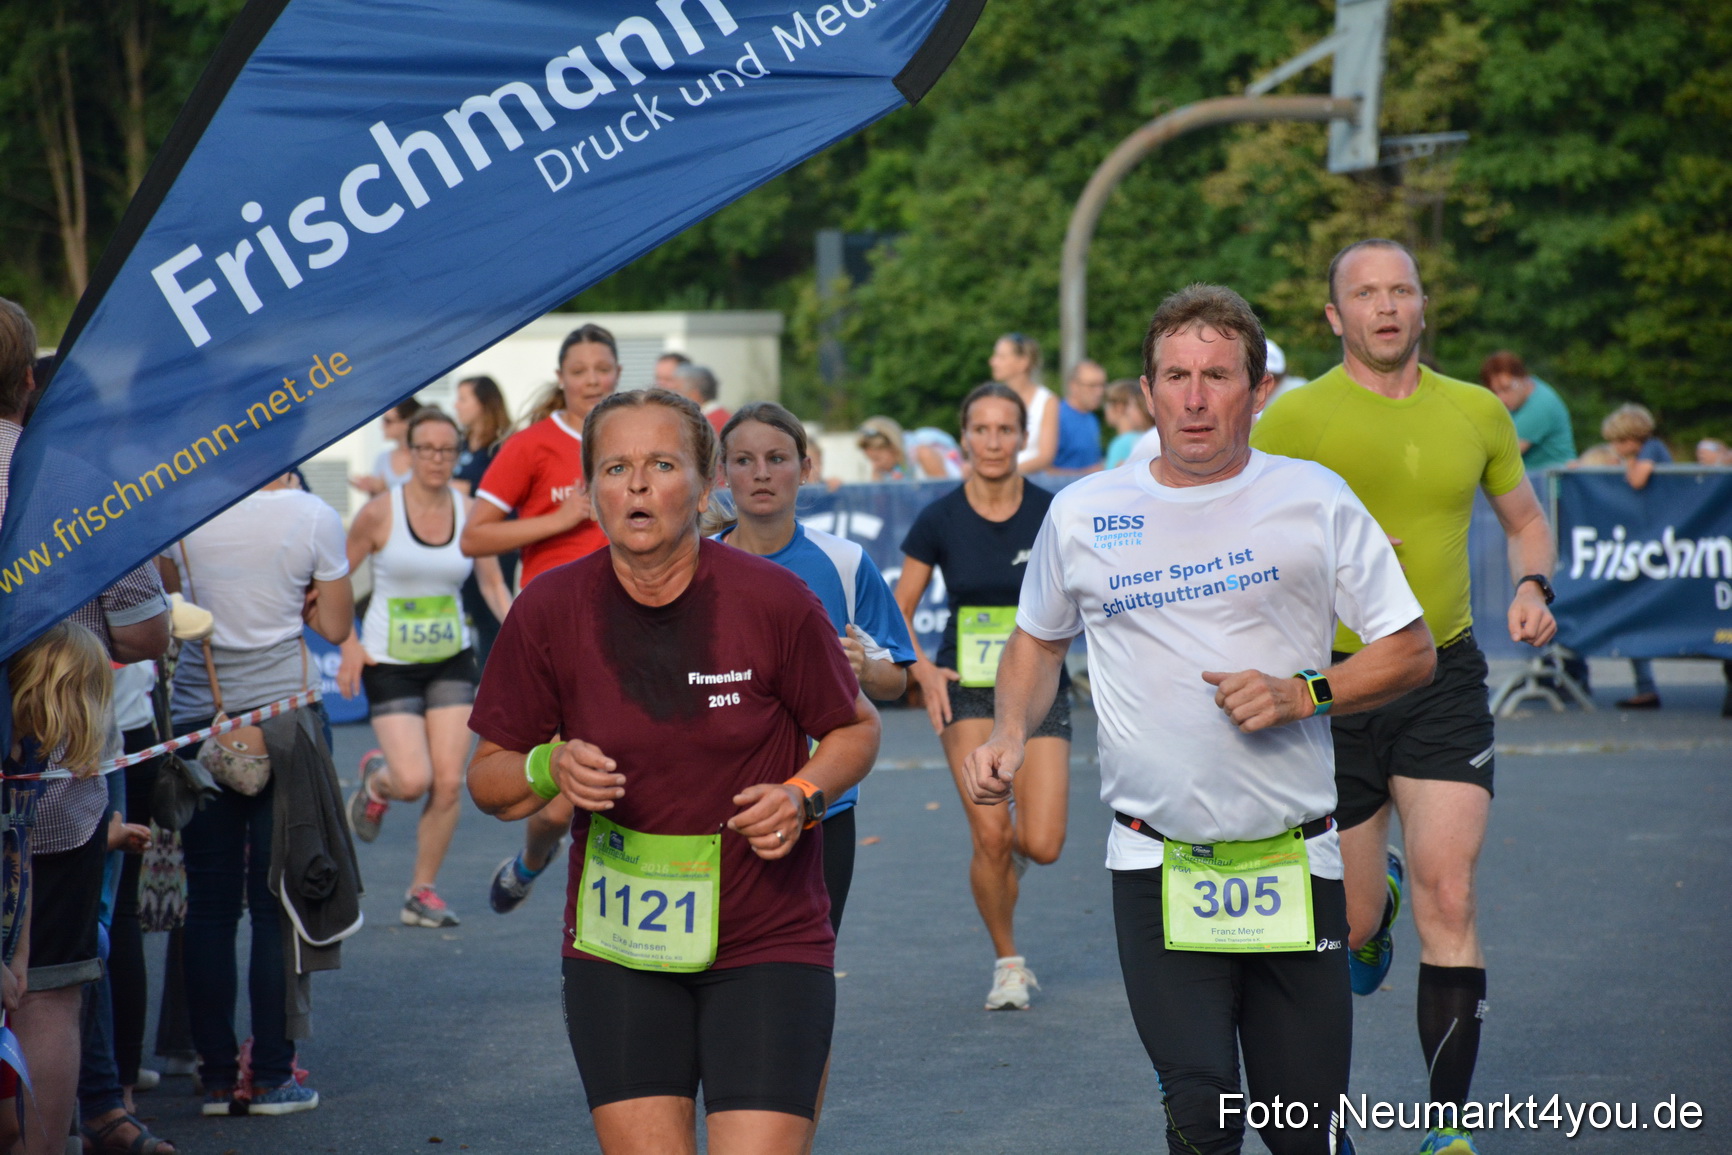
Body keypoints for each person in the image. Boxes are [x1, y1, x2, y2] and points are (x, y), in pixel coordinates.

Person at [965, 283, 1435, 1155]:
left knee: (1304, 1135)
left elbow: (1411, 648)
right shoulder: (1084, 511)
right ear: (1146, 390)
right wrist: (1006, 732)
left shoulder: (1313, 497)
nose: (1193, 397)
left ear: (1257, 392)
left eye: (1217, 375)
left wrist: (1306, 692)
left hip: (1295, 856)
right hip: (1155, 860)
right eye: (1175, 375)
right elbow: (1036, 643)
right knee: (1202, 1114)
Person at [466, 388, 880, 1155]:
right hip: (619, 944)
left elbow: (855, 727)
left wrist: (802, 793)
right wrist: (549, 763)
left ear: (705, 478)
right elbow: (488, 779)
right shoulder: (550, 609)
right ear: (590, 490)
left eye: (662, 464)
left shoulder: (775, 600)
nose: (638, 485)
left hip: (767, 935)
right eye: (615, 467)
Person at [1251, 239, 1558, 1155]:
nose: (1386, 306)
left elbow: (1526, 518)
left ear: (1422, 306)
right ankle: (1368, 904)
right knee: (1348, 922)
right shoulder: (1294, 419)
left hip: (1442, 675)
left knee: (1452, 891)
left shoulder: (1474, 411)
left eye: (1401, 290)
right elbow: (1238, 525)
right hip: (1331, 687)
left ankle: (1447, 1127)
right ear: (1333, 317)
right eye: (1364, 293)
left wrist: (1534, 587)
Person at [0, 298, 174, 1155]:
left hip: (47, 771)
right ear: (30, 381)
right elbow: (146, 628)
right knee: (51, 990)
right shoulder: (77, 479)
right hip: (53, 777)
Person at [164, 470, 355, 1118]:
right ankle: (273, 1074)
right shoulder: (311, 514)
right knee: (278, 902)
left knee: (211, 906)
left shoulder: (185, 508)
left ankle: (217, 1077)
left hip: (202, 717)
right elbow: (333, 620)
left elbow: (165, 599)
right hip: (286, 717)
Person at [893, 383, 1070, 1010]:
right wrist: (921, 670)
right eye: (981, 429)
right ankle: (1008, 963)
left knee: (1042, 844)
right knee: (991, 835)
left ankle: (1005, 868)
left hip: (1040, 686)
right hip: (965, 687)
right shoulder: (938, 518)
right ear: (963, 438)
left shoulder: (1054, 512)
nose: (993, 441)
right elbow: (898, 609)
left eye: (1005, 430)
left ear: (1023, 438)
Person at [714, 402, 916, 929]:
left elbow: (898, 677)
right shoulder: (692, 565)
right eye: (744, 460)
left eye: (777, 458)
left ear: (806, 469)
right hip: (718, 800)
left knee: (807, 959)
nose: (761, 473)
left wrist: (866, 671)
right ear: (722, 472)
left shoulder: (845, 561)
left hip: (820, 801)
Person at [461, 324, 619, 913]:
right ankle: (531, 862)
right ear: (561, 379)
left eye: (602, 369)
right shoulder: (532, 445)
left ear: (618, 374)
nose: (592, 380)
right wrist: (561, 521)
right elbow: (475, 537)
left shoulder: (630, 438)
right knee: (556, 802)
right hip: (558, 635)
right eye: (579, 371)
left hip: (637, 628)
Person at [340, 409, 512, 927]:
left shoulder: (470, 512)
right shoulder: (379, 513)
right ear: (409, 454)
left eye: (447, 449)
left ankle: (421, 892)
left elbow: (491, 585)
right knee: (413, 780)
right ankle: (378, 781)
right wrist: (346, 640)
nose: (437, 459)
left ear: (457, 453)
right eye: (427, 449)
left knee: (448, 782)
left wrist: (527, 633)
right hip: (389, 661)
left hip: (450, 659)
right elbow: (332, 578)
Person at [1600, 403, 1672, 709]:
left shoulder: (1652, 449)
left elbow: (1638, 480)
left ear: (1632, 437)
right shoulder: (1647, 450)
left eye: (1619, 442)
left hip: (1665, 542)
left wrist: (1626, 462)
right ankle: (1645, 686)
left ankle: (1646, 686)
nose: (1615, 449)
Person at [451, 375, 517, 665]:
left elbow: (471, 490)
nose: (456, 405)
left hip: (498, 545)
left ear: (483, 404)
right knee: (471, 617)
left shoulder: (502, 446)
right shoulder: (462, 444)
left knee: (494, 619)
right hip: (465, 543)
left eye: (463, 399)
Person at [1479, 351, 1577, 473]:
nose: (1501, 398)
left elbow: (1500, 456)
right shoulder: (1521, 397)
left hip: (1555, 485)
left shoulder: (1541, 405)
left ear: (1522, 378)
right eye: (1495, 391)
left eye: (1506, 389)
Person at [987, 334, 1058, 474]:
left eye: (1001, 357)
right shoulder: (991, 399)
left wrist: (1004, 473)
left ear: (1023, 362)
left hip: (1030, 481)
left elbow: (1045, 456)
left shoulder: (1047, 401)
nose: (992, 362)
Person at [350, 398, 422, 497]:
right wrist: (373, 489)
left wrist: (384, 490)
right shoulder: (382, 458)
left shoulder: (425, 456)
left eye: (388, 421)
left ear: (407, 422)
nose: (381, 426)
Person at [1051, 358, 1106, 475]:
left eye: (1101, 385)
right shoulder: (1056, 417)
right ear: (1073, 386)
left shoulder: (1092, 418)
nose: (1099, 392)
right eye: (1092, 386)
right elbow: (1042, 472)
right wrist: (1088, 473)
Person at [1102, 378, 1152, 469]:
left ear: (1119, 407)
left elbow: (1109, 480)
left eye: (1107, 403)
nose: (1105, 409)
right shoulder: (1144, 439)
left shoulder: (1121, 443)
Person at [672, 362, 731, 435]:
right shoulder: (723, 417)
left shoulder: (705, 424)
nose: (673, 395)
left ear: (694, 395)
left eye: (677, 391)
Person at [856, 417, 907, 482]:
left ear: (893, 448)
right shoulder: (888, 472)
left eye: (877, 459)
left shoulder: (916, 451)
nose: (875, 465)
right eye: (872, 461)